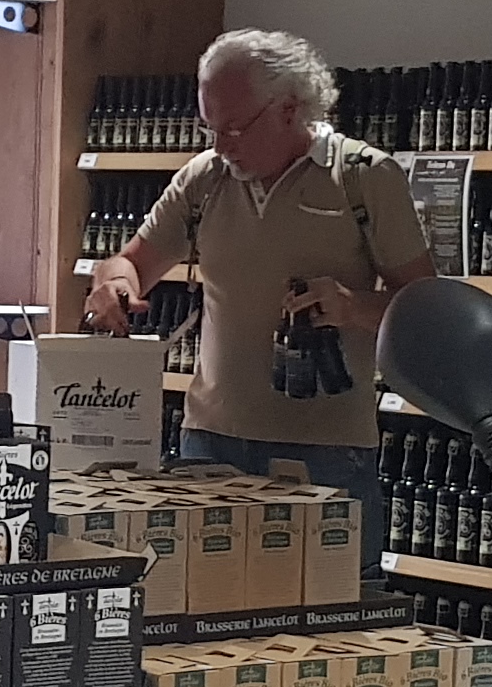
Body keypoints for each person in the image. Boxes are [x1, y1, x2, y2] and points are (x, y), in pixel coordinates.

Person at [81, 28, 434, 519]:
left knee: (332, 575)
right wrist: (115, 284)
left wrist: (352, 307)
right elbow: (128, 263)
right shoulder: (203, 179)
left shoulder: (365, 177)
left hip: (328, 451)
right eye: (210, 128)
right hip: (209, 444)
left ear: (289, 108)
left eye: (234, 128)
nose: (220, 145)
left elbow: (424, 310)